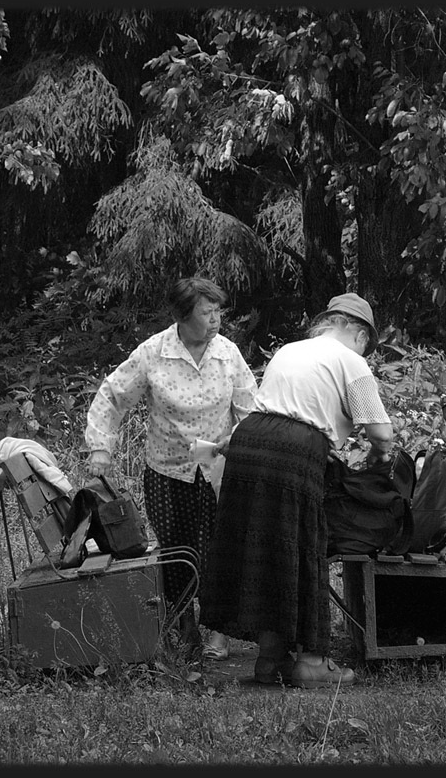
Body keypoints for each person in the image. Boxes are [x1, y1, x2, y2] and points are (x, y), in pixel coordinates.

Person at [200, 293, 394, 688]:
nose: (365, 352)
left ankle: (269, 659)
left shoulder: (291, 349)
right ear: (357, 334)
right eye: (366, 345)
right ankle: (312, 663)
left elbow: (267, 404)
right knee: (303, 548)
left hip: (250, 442)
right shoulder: (350, 360)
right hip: (294, 450)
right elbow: (381, 432)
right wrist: (380, 455)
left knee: (266, 552)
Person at [84, 277, 257, 661]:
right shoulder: (153, 353)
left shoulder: (228, 354)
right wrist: (100, 447)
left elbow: (250, 409)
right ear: (181, 315)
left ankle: (218, 631)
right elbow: (113, 396)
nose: (215, 321)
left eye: (218, 312)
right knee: (176, 550)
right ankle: (183, 624)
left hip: (217, 469)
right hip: (166, 469)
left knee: (218, 549)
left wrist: (241, 442)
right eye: (206, 313)